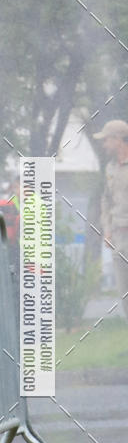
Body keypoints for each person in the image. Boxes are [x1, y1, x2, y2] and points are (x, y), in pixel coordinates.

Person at [95, 120, 128, 318]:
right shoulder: (110, 168)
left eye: (106, 140)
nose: (104, 144)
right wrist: (107, 230)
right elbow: (106, 200)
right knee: (125, 294)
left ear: (118, 139)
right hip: (118, 238)